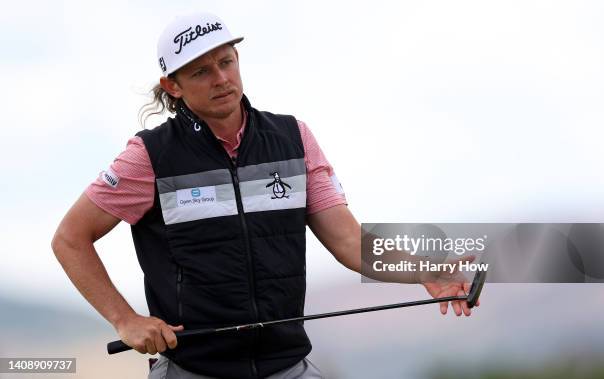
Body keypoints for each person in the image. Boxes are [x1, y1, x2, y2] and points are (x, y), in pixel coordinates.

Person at [51, 12, 477, 379]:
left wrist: (426, 271)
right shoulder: (149, 156)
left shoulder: (293, 138)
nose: (221, 78)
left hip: (287, 364)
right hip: (193, 369)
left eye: (226, 62)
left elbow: (350, 241)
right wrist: (124, 319)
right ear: (173, 85)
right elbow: (70, 238)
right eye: (201, 71)